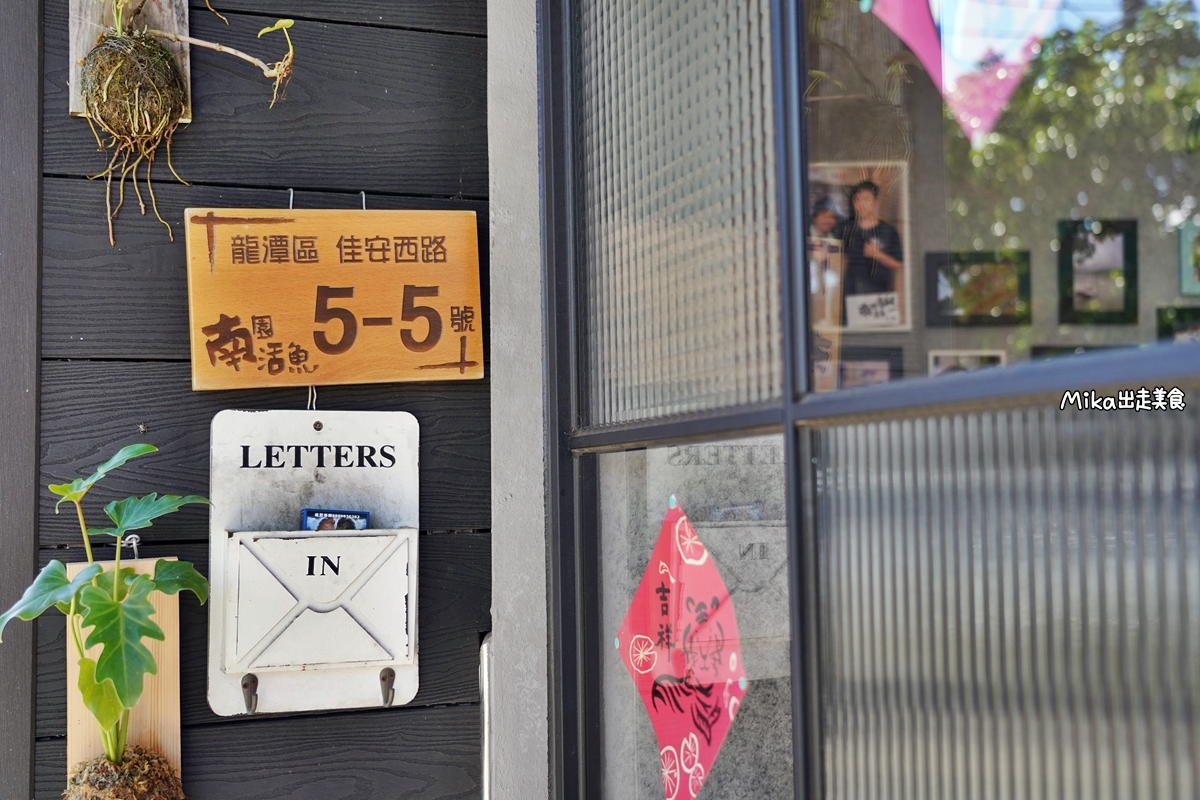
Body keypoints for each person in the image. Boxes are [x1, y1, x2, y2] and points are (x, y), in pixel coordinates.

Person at [840, 180, 903, 298]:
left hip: (878, 296)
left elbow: (899, 264)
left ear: (875, 202)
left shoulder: (887, 230)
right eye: (857, 199)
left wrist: (878, 255)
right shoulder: (846, 229)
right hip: (850, 294)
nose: (861, 204)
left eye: (866, 199)